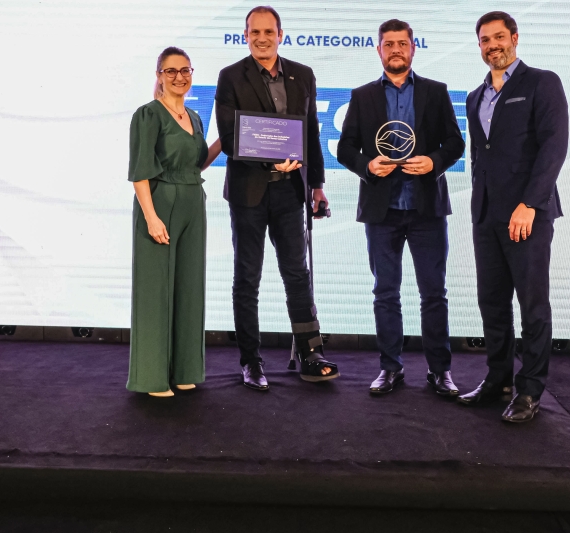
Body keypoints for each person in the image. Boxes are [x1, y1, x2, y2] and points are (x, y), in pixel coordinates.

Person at [337, 19, 465, 396]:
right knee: (385, 293)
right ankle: (390, 368)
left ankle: (440, 371)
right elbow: (345, 147)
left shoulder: (435, 92)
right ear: (379, 50)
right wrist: (366, 166)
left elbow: (455, 143)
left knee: (434, 293)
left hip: (426, 208)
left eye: (402, 43)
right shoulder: (362, 96)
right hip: (382, 210)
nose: (395, 49)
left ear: (413, 48)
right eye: (388, 44)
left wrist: (434, 162)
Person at [214, 6, 338, 391]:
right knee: (247, 279)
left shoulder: (303, 75)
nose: (262, 38)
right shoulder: (230, 76)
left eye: (269, 31)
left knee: (297, 275)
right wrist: (277, 158)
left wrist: (316, 185)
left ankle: (310, 352)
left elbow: (312, 134)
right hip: (249, 192)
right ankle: (251, 361)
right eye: (255, 32)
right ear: (245, 34)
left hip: (290, 193)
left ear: (281, 34)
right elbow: (230, 134)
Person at [457, 12, 569, 422]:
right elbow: (479, 158)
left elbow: (553, 147)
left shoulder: (542, 82)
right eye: (485, 40)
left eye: (499, 37)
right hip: (486, 216)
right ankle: (498, 379)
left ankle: (530, 389)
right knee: (492, 303)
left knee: (533, 304)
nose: (492, 46)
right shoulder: (474, 97)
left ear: (515, 38)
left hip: (528, 215)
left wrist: (531, 204)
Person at [127, 46, 222, 397]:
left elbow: (196, 164)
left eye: (185, 70)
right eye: (171, 71)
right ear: (159, 75)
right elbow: (140, 172)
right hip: (160, 204)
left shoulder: (195, 118)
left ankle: (184, 369)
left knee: (189, 287)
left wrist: (228, 138)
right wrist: (151, 218)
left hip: (193, 204)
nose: (179, 77)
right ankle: (151, 377)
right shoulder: (148, 115)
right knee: (156, 291)